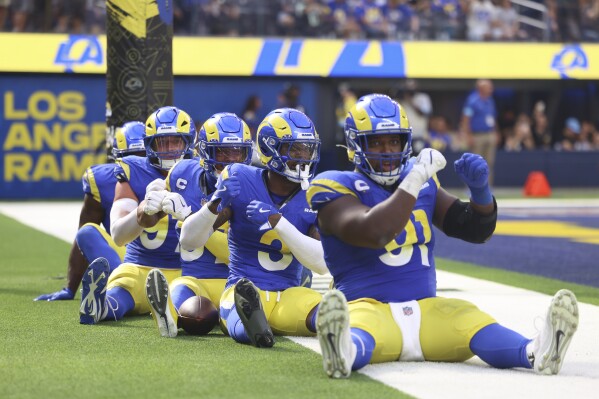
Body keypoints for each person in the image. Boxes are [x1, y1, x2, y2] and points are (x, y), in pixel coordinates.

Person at [307, 93, 579, 378]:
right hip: (367, 306)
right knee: (358, 330)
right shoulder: (336, 186)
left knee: (470, 318)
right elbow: (374, 232)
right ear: (355, 144)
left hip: (428, 312)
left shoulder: (423, 183)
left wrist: (481, 194)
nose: (386, 150)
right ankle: (342, 351)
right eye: (375, 141)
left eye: (394, 141)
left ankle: (537, 352)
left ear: (405, 142)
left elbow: (473, 229)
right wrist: (414, 180)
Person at [179, 108, 328, 348]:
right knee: (240, 310)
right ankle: (252, 328)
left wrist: (278, 222)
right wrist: (215, 204)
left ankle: (330, 325)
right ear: (271, 149)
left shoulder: (314, 194)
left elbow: (321, 263)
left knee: (325, 312)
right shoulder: (241, 178)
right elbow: (189, 241)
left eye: (307, 148)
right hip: (241, 287)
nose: (304, 156)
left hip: (289, 293)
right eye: (295, 148)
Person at [79, 106, 195, 325]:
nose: (169, 149)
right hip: (142, 265)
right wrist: (141, 214)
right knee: (123, 289)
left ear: (188, 143)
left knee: (193, 299)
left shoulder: (200, 172)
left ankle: (171, 312)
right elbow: (119, 235)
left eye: (176, 141)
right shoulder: (133, 170)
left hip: (189, 273)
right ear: (150, 145)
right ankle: (100, 307)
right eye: (162, 142)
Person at [145, 112, 254, 337]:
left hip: (237, 283)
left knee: (212, 316)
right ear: (204, 152)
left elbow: (237, 253)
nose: (231, 162)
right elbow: (151, 215)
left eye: (238, 153)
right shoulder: (181, 174)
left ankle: (238, 323)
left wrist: (188, 217)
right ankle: (170, 316)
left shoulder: (254, 185)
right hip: (195, 280)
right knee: (180, 291)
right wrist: (153, 200)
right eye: (222, 152)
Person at [34, 121, 146, 301]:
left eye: (142, 156)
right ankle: (123, 287)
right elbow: (83, 235)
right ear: (117, 158)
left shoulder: (174, 176)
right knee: (87, 232)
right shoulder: (103, 181)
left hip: (168, 261)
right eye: (131, 157)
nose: (136, 163)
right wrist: (70, 289)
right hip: (128, 260)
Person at [460, 79, 498, 185]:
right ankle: (472, 187)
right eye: (488, 87)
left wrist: (495, 133)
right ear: (480, 88)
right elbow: (466, 119)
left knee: (489, 162)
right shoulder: (472, 101)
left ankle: (487, 187)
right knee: (475, 163)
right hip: (477, 136)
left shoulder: (490, 101)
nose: (491, 89)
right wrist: (468, 136)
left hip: (489, 134)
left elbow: (493, 118)